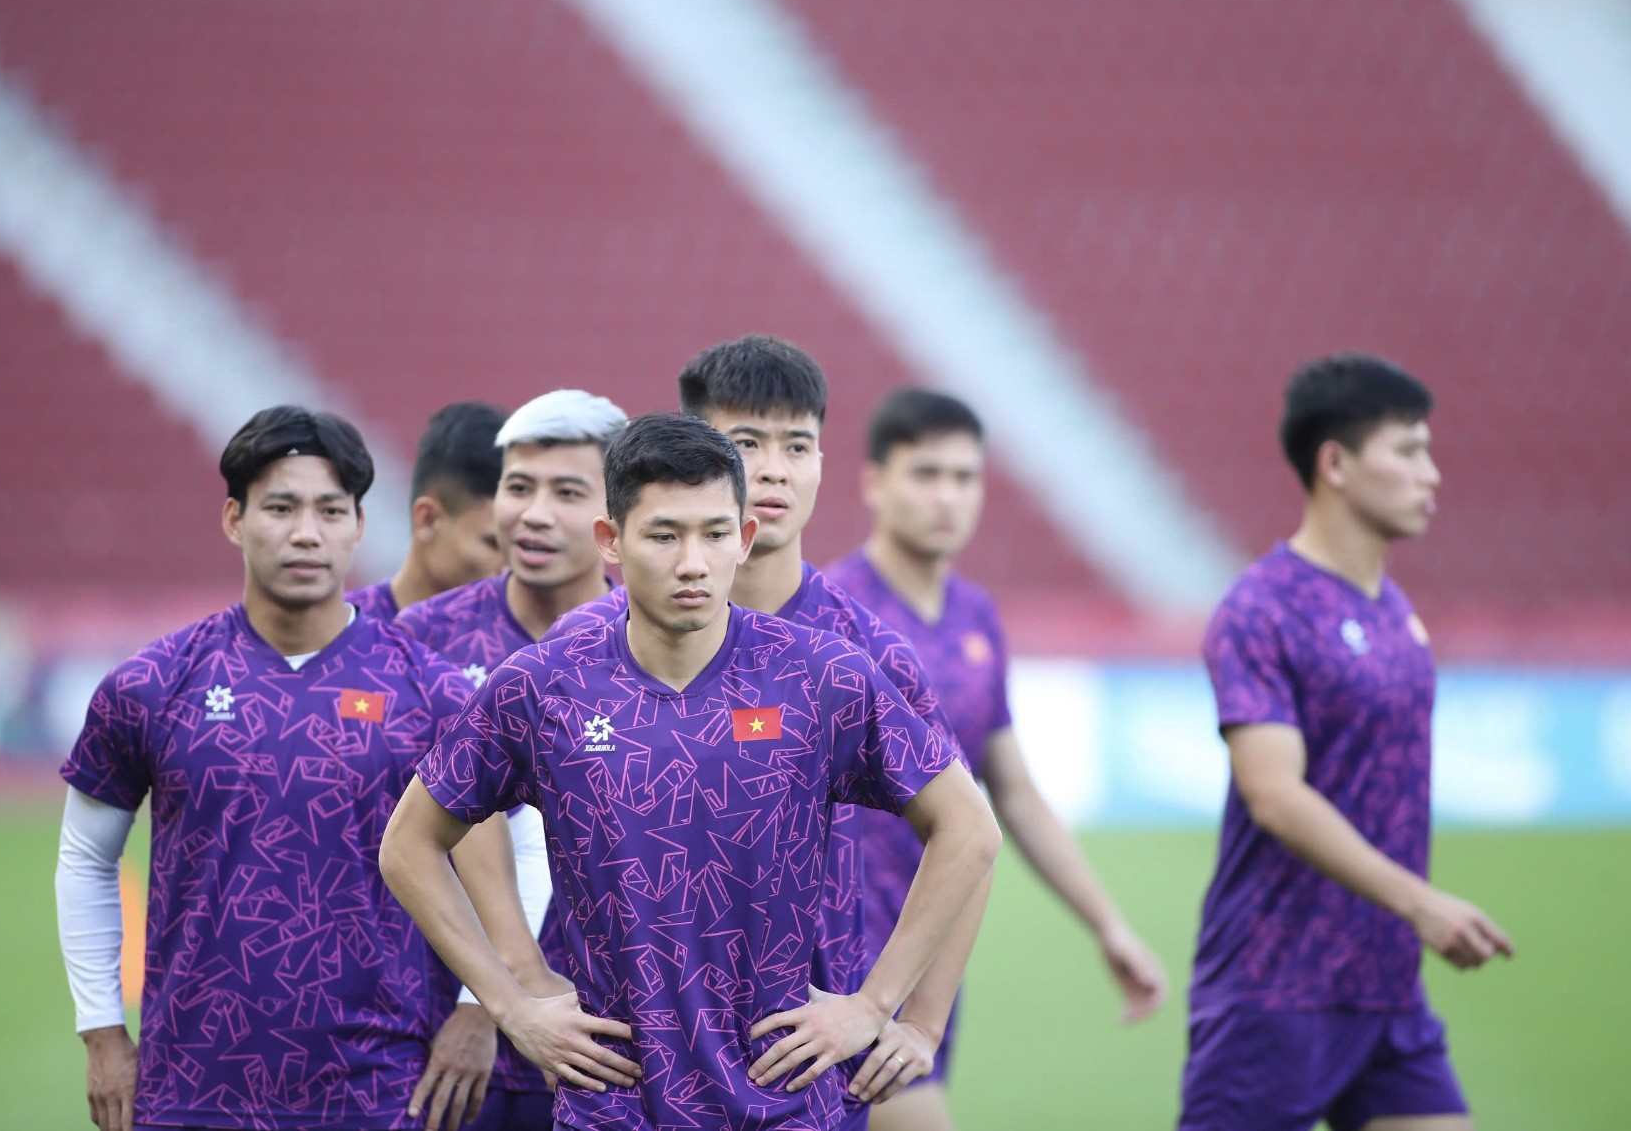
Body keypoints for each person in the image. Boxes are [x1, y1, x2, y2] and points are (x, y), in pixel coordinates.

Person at [379, 413, 1002, 1131]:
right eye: (664, 534)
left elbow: (968, 828)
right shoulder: (545, 683)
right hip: (614, 1109)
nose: (692, 563)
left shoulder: (824, 676)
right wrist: (510, 1002)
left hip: (788, 1104)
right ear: (611, 542)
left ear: (743, 538)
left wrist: (876, 1005)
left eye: (713, 534)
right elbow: (409, 844)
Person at [548, 336, 990, 1116]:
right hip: (620, 1066)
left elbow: (968, 833)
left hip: (793, 1059)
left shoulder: (867, 652)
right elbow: (465, 811)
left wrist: (914, 1018)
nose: (777, 469)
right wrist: (512, 989)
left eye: (799, 445)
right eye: (748, 443)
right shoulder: (583, 647)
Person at [53, 406, 476, 1131]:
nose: (306, 532)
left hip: (382, 1089)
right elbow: (86, 858)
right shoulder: (152, 683)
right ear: (233, 519)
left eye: (329, 510)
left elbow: (518, 848)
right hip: (190, 1086)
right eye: (280, 507)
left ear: (358, 527)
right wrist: (100, 1031)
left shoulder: (434, 693)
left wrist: (479, 1009)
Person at [1177, 354, 1513, 1131]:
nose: (1432, 474)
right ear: (1335, 463)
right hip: (1276, 990)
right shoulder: (1261, 609)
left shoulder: (1397, 609)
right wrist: (1420, 902)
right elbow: (1274, 793)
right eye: (1408, 450)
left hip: (1388, 994)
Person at [826, 386, 1170, 1131]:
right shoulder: (829, 611)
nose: (948, 496)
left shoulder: (978, 616)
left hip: (936, 958)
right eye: (927, 474)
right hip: (843, 964)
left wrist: (1107, 924)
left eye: (965, 476)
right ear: (875, 482)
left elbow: (1010, 792)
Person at [393, 389, 628, 1131]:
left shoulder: (652, 644)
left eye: (566, 492)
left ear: (613, 518)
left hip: (608, 1048)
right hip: (436, 1048)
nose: (533, 513)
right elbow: (412, 837)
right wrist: (484, 1002)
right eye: (517, 487)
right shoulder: (421, 637)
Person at [347, 401, 507, 619]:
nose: (509, 569)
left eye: (517, 546)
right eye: (493, 544)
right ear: (428, 520)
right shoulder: (336, 634)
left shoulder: (528, 643)